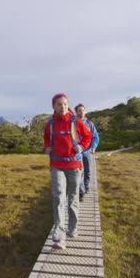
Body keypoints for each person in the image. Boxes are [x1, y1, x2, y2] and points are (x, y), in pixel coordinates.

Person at [44, 93, 92, 250]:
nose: (62, 106)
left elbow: (87, 136)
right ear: (54, 106)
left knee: (72, 198)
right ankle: (59, 236)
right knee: (58, 197)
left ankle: (73, 228)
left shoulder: (76, 121)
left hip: (74, 165)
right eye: (59, 104)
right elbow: (46, 138)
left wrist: (81, 147)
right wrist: (47, 147)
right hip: (56, 164)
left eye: (65, 104)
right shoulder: (50, 124)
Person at [75, 103, 99, 202]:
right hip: (77, 153)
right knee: (79, 172)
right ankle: (81, 191)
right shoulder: (73, 123)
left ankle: (86, 186)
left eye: (83, 110)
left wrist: (93, 147)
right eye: (79, 110)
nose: (81, 112)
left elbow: (95, 137)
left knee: (88, 171)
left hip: (87, 151)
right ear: (76, 112)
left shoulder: (89, 123)